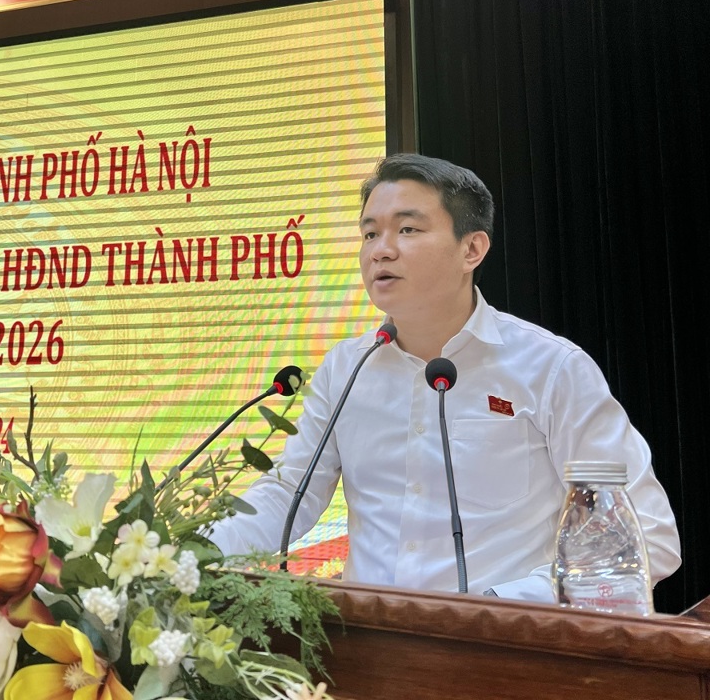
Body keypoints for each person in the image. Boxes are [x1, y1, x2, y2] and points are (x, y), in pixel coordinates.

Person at [208, 153, 681, 602]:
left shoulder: (550, 369)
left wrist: (501, 607)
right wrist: (186, 557)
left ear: (471, 248)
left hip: (507, 655)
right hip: (366, 654)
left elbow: (648, 538)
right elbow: (290, 496)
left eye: (408, 229)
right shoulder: (345, 370)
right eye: (370, 234)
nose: (381, 251)